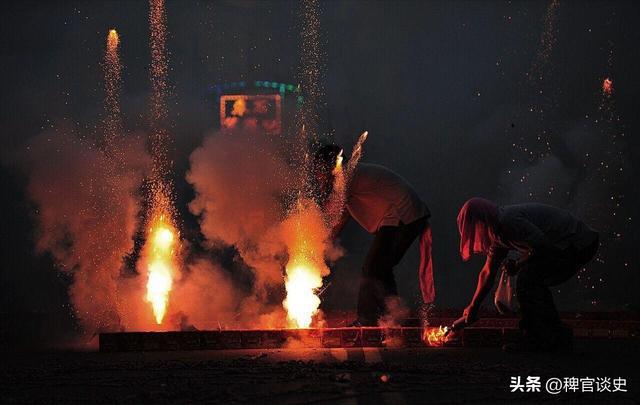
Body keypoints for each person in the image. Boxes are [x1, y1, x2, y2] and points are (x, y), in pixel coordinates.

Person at [453, 197, 599, 352]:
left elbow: (542, 246)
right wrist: (473, 306)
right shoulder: (496, 233)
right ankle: (552, 335)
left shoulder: (508, 221)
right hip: (569, 243)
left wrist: (517, 264)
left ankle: (541, 338)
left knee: (528, 280)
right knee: (531, 279)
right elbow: (487, 272)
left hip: (578, 242)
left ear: (482, 221)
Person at [312, 144, 435, 326]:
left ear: (329, 166)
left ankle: (369, 318)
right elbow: (342, 216)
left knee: (373, 267)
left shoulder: (345, 176)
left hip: (402, 214)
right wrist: (325, 241)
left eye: (320, 171)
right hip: (397, 216)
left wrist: (319, 245)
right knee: (380, 267)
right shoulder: (347, 176)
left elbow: (336, 213)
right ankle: (392, 315)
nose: (318, 177)